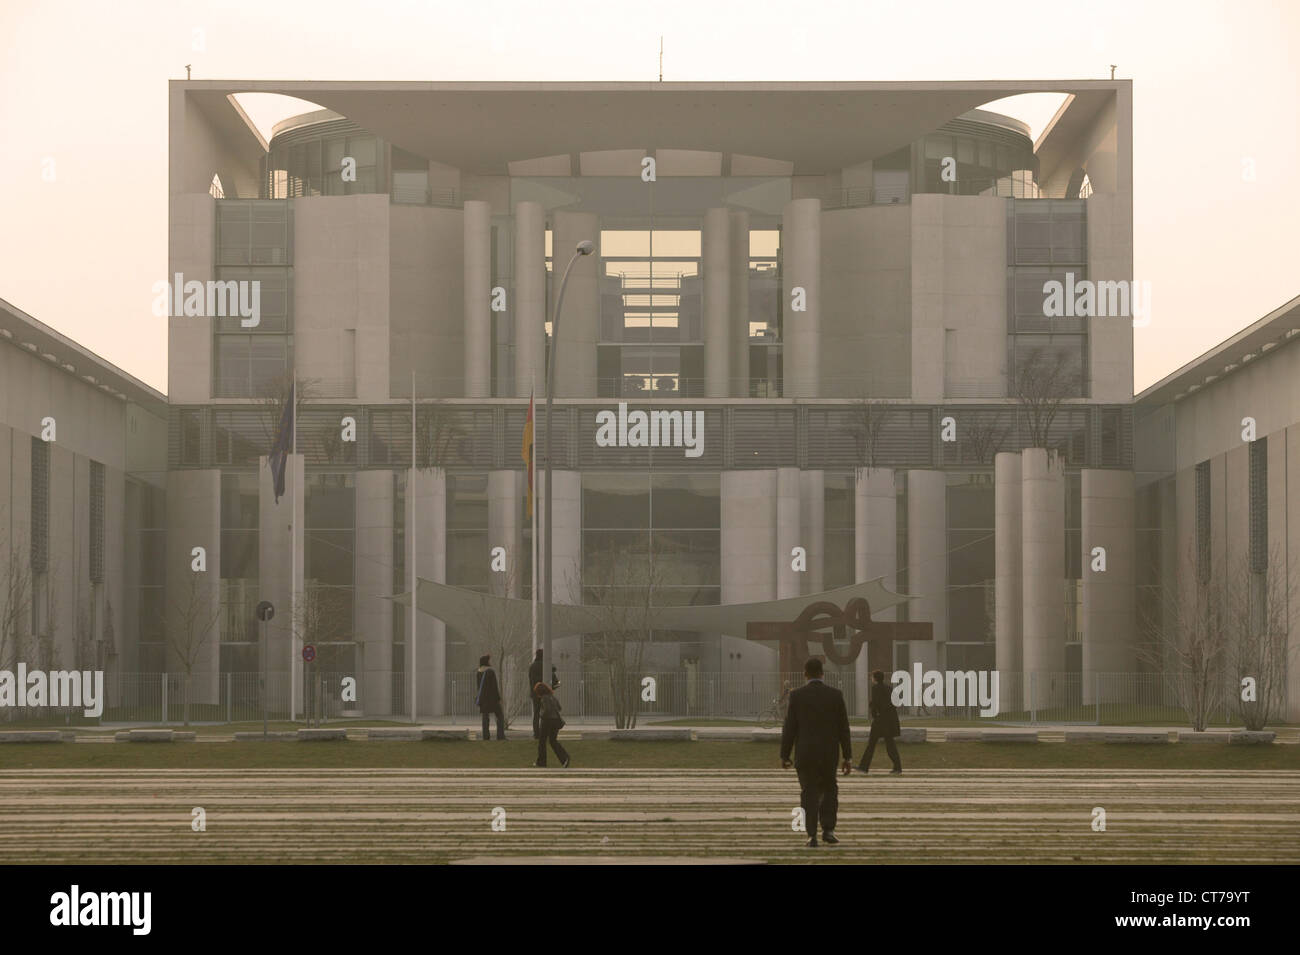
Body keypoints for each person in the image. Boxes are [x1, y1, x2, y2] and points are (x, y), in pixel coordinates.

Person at [780, 657, 852, 847]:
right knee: (830, 790)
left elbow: (790, 728)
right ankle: (828, 830)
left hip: (805, 754)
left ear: (805, 674)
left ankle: (811, 834)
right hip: (829, 754)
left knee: (808, 792)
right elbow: (844, 728)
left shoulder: (797, 696)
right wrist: (848, 756)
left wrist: (784, 755)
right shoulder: (835, 695)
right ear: (822, 673)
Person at [858, 669, 902, 775]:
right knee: (890, 743)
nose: (871, 678)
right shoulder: (889, 688)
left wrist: (874, 713)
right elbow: (895, 702)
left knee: (872, 743)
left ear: (875, 678)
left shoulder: (875, 688)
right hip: (889, 720)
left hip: (880, 720)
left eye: (872, 676)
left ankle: (864, 766)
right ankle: (897, 767)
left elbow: (876, 704)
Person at [533, 682, 570, 768]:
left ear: (539, 692)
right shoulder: (553, 697)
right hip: (556, 721)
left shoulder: (544, 698)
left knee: (542, 742)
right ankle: (565, 758)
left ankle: (541, 762)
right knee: (553, 741)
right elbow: (559, 708)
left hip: (547, 721)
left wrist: (541, 715)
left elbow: (546, 710)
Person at [475, 654, 506, 741]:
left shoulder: (478, 672)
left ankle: (486, 736)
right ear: (486, 662)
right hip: (492, 699)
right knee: (500, 716)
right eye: (488, 660)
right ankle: (500, 736)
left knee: (485, 718)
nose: (490, 662)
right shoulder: (490, 672)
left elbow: (479, 687)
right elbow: (494, 687)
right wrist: (498, 698)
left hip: (483, 699)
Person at [528, 649, 544, 740]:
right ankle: (544, 731)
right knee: (545, 713)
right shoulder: (545, 665)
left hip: (535, 693)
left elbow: (530, 679)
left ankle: (536, 733)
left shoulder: (532, 666)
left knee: (536, 713)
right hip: (544, 693)